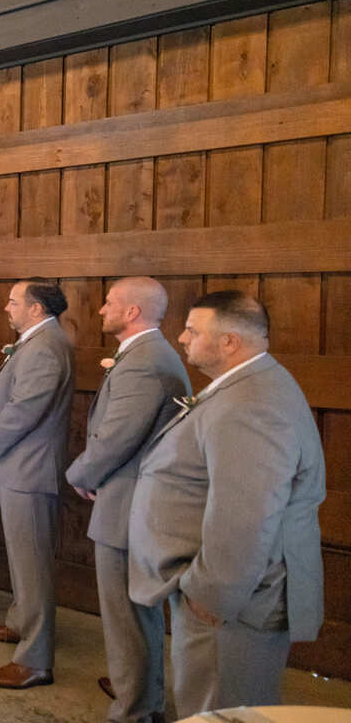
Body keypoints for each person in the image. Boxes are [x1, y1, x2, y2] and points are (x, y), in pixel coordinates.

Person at [128, 291, 324, 717]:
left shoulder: (252, 403)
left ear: (230, 342)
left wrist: (210, 595)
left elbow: (247, 515)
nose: (181, 338)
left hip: (230, 605)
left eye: (194, 331)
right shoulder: (247, 385)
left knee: (217, 709)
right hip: (223, 595)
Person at [64, 277, 189, 723]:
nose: (101, 309)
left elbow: (117, 436)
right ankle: (140, 688)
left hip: (128, 501)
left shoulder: (144, 362)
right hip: (129, 495)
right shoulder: (145, 355)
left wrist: (79, 473)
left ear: (133, 312)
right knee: (131, 611)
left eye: (110, 303)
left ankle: (134, 708)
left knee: (126, 613)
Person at [0, 278, 74, 689]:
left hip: (28, 469)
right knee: (23, 557)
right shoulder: (37, 341)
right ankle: (20, 622)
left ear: (36, 308)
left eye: (14, 302)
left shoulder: (46, 346)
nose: (7, 308)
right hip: (18, 465)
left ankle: (34, 660)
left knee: (32, 565)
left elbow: (25, 409)